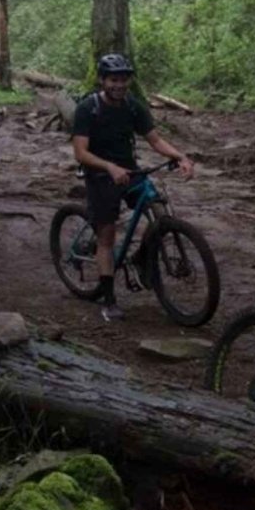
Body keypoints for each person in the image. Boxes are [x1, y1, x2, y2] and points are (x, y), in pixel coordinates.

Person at [71, 53, 195, 322]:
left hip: (130, 171)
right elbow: (80, 152)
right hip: (100, 175)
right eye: (114, 80)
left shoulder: (133, 107)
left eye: (124, 80)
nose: (119, 85)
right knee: (107, 237)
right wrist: (109, 167)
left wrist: (179, 157)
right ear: (103, 80)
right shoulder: (87, 108)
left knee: (159, 210)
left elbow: (155, 139)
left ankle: (141, 259)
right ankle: (109, 299)